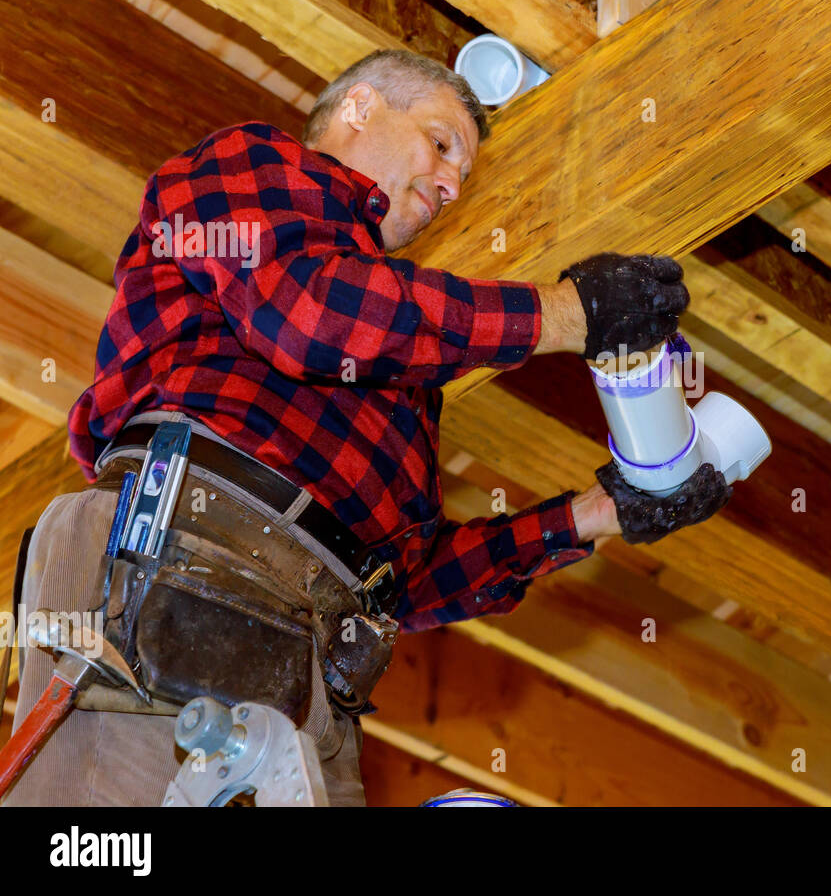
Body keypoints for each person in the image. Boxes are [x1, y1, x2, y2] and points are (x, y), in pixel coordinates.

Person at [2, 49, 731, 806]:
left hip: (319, 669)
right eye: (442, 144)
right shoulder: (248, 165)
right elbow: (306, 314)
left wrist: (601, 513)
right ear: (359, 107)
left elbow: (404, 581)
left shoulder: (398, 368)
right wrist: (565, 315)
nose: (450, 186)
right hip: (177, 568)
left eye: (460, 178)